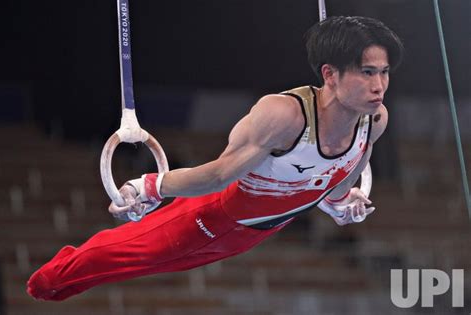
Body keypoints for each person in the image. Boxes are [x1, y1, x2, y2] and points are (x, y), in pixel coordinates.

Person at [27, 16, 404, 301]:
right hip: (211, 215)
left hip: (257, 230)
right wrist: (151, 185)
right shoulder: (284, 117)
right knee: (128, 256)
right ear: (331, 75)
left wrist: (339, 202)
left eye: (384, 72)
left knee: (159, 263)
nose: (379, 85)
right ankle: (46, 280)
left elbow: (348, 166)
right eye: (367, 72)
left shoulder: (375, 120)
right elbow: (220, 174)